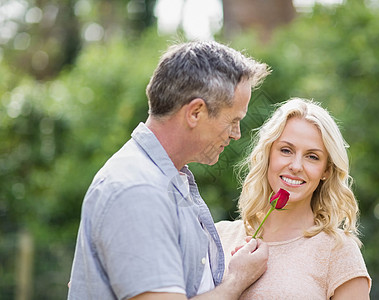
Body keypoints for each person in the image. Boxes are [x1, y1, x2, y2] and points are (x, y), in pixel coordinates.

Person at [68, 40, 271, 300]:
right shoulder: (137, 190)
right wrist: (236, 280)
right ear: (195, 112)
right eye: (233, 120)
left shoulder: (168, 179)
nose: (236, 134)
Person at [216, 98, 372, 299]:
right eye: (286, 150)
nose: (296, 166)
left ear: (326, 170)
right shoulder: (217, 236)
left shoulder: (338, 250)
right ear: (268, 154)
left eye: (312, 156)